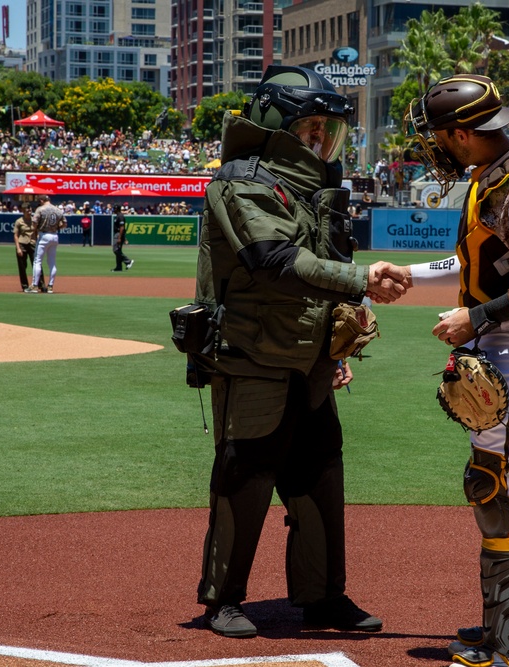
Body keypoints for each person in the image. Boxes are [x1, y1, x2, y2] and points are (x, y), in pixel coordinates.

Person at [192, 65, 406, 640]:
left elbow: (322, 273)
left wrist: (338, 345)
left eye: (327, 130)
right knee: (246, 474)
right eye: (310, 127)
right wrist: (361, 279)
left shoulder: (314, 190)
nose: (320, 140)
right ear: (274, 123)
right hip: (253, 356)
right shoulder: (243, 182)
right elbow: (274, 260)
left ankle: (322, 596)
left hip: (307, 359)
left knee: (320, 474)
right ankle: (224, 600)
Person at [398, 74, 509, 667]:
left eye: (439, 137)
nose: (435, 147)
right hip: (508, 347)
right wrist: (412, 276)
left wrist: (476, 318)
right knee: (493, 486)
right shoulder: (492, 179)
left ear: (462, 133)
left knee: (496, 489)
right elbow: (482, 261)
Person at [28, 194, 66, 294]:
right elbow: (65, 224)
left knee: (37, 261)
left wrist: (34, 232)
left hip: (44, 235)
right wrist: (58, 228)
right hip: (54, 235)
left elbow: (34, 222)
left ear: (41, 200)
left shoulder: (40, 209)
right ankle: (50, 286)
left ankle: (35, 286)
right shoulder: (58, 209)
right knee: (52, 262)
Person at [13, 204, 45, 292]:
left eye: (30, 208)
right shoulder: (19, 221)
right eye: (27, 209)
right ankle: (24, 286)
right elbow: (15, 235)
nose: (29, 210)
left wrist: (39, 241)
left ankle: (41, 285)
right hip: (22, 244)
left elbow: (37, 232)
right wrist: (18, 248)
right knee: (22, 266)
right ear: (23, 210)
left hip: (33, 243)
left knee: (37, 264)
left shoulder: (34, 220)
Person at [110, 205, 133, 272]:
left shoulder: (120, 216)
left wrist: (120, 238)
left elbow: (122, 228)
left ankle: (128, 261)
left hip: (118, 235)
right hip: (118, 234)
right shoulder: (118, 216)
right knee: (118, 250)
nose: (114, 210)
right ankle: (119, 267)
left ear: (117, 209)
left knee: (115, 250)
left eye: (114, 209)